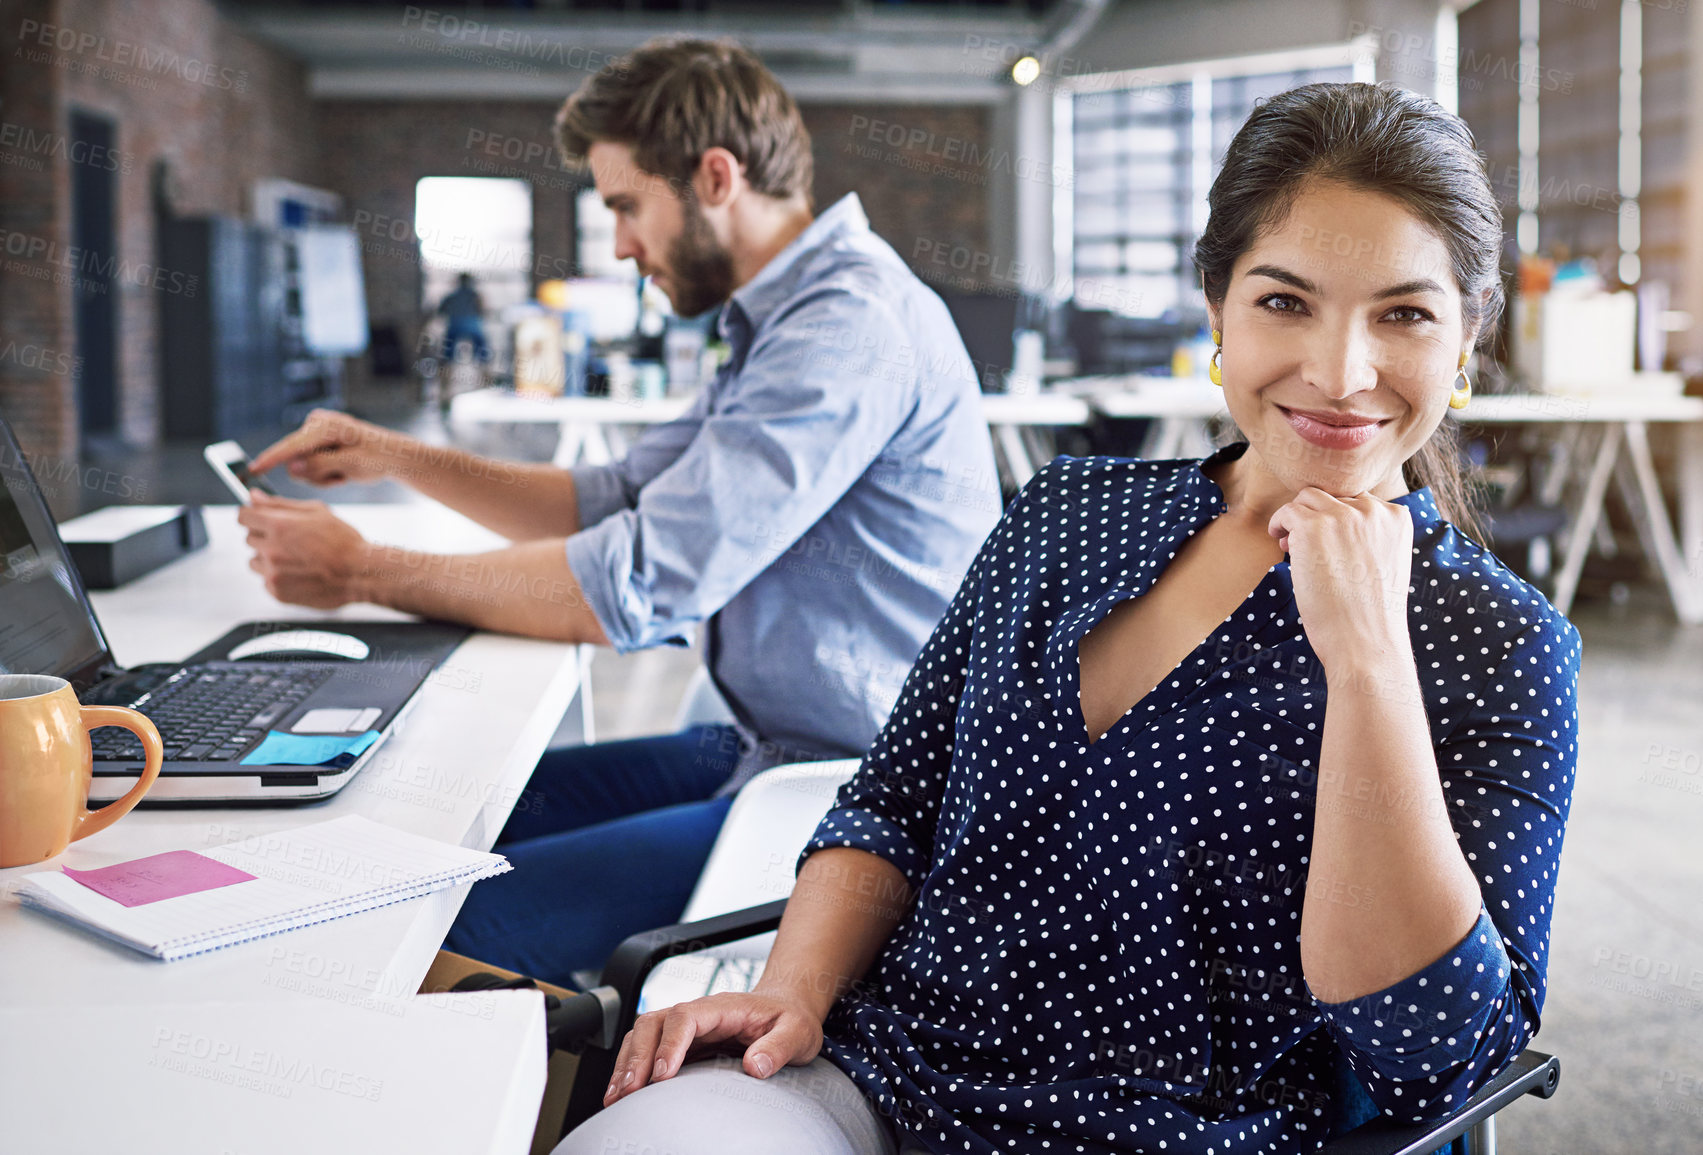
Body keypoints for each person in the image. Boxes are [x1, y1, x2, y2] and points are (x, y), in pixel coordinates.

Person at [559, 82, 1583, 1155]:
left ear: (1466, 341)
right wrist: (796, 989)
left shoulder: (1495, 641)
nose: (1339, 372)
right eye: (1285, 301)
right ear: (1218, 314)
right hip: (884, 1080)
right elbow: (893, 801)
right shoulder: (1069, 511)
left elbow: (1433, 1055)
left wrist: (1369, 657)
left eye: (1404, 314)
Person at [239, 39, 1000, 982]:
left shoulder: (846, 325)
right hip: (770, 748)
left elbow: (633, 587)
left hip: (859, 803)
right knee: (427, 825)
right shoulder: (778, 318)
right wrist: (394, 455)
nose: (622, 246)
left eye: (625, 207)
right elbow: (611, 498)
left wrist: (360, 569)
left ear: (715, 177)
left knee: (412, 932)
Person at [435, 272, 490, 366]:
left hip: (454, 327)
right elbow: (483, 312)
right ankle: (485, 371)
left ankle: (446, 371)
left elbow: (440, 312)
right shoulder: (476, 296)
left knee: (448, 349)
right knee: (482, 349)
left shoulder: (450, 297)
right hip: (473, 327)